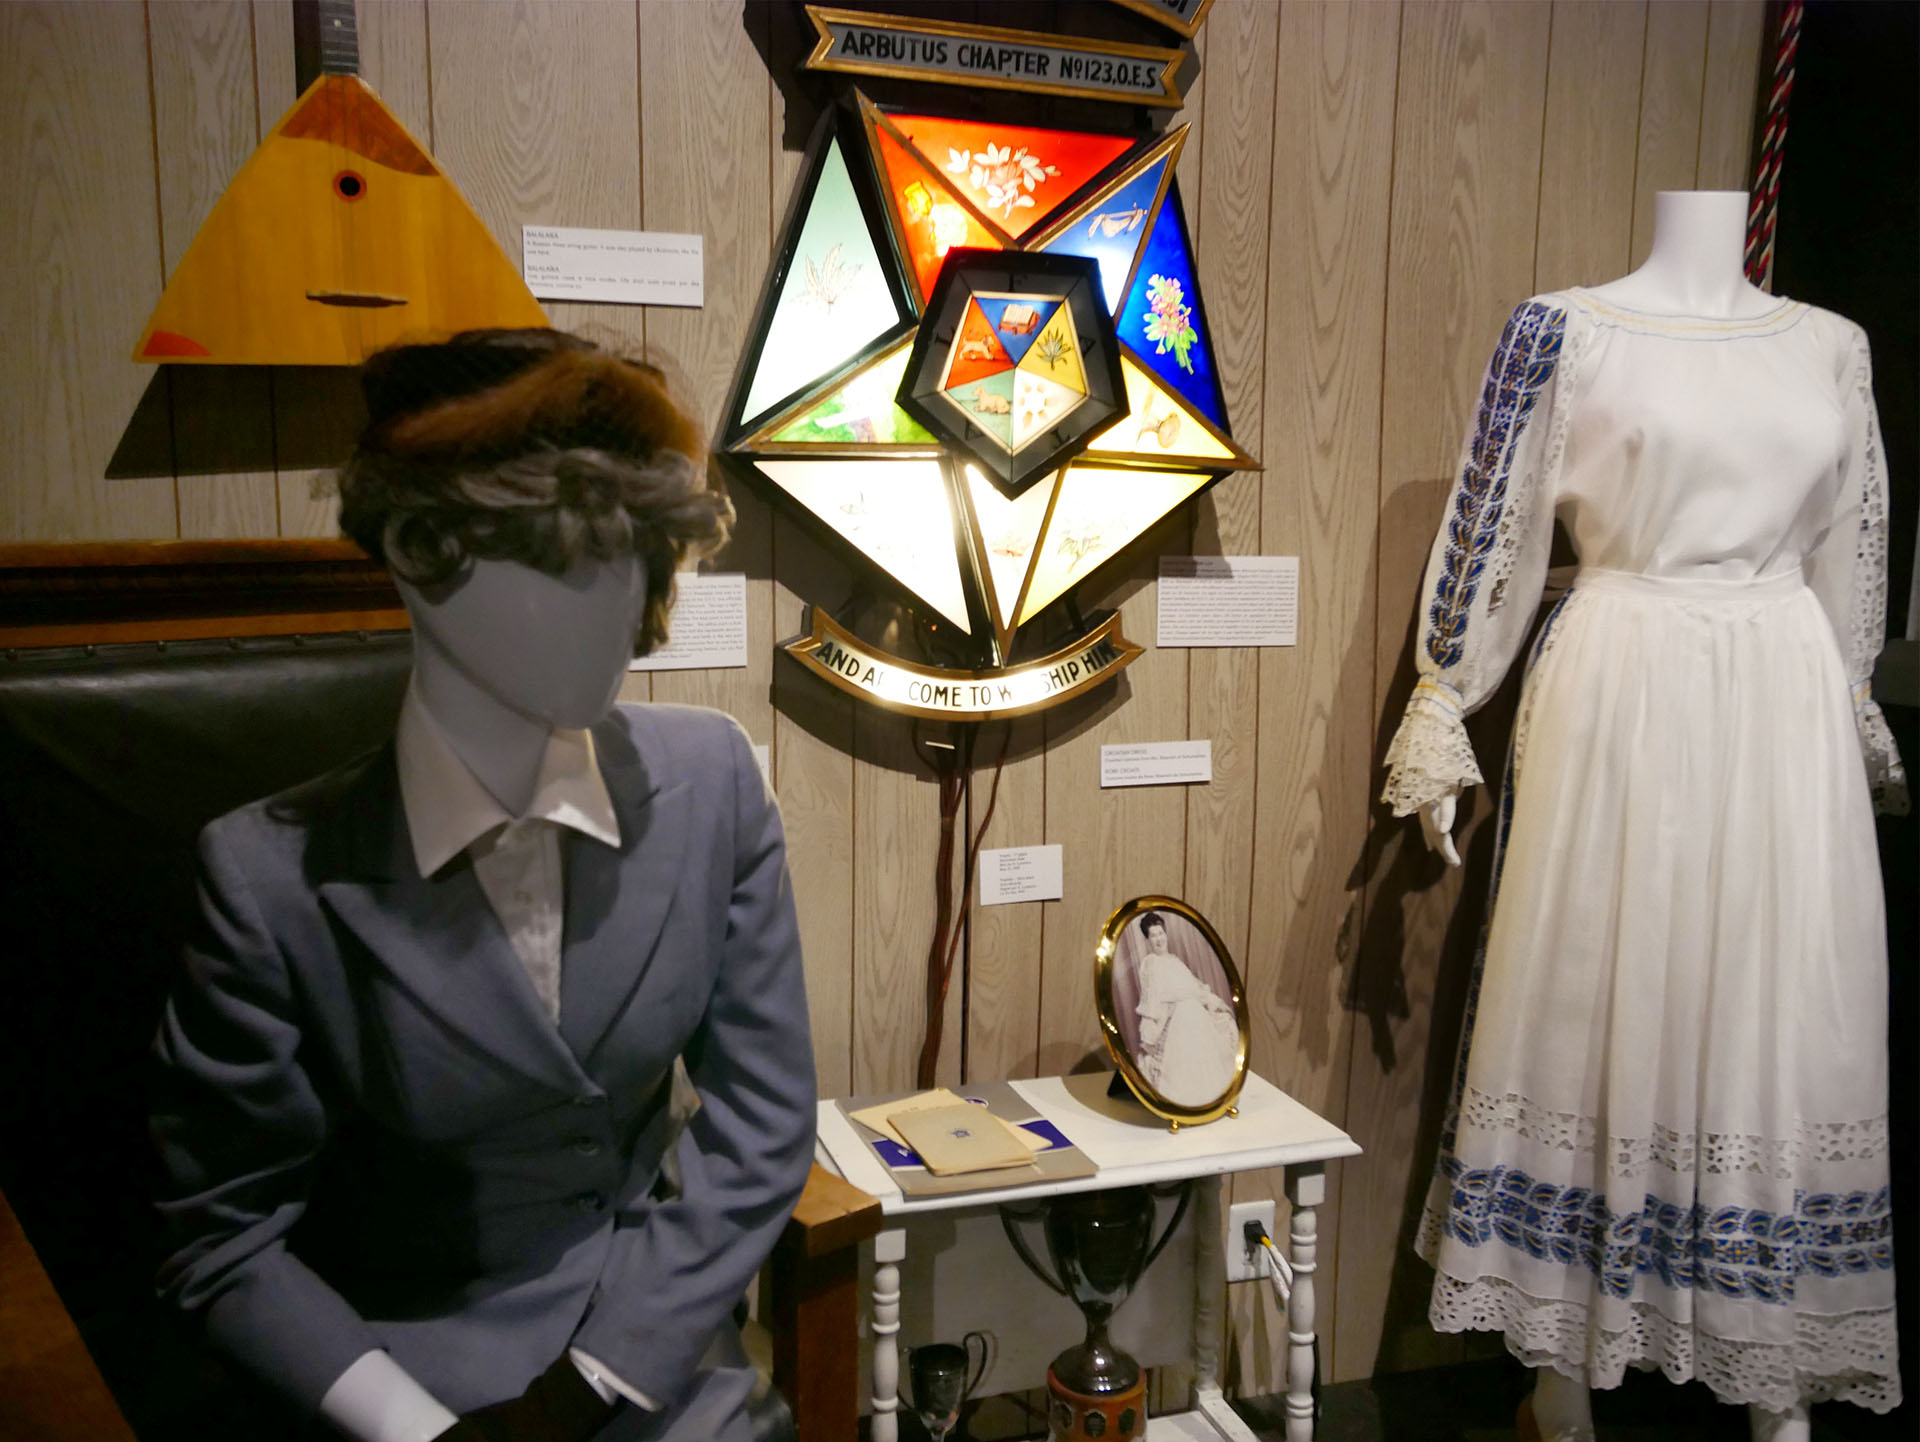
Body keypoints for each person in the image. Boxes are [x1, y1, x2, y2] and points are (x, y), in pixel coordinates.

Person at [150, 328, 816, 1442]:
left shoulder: (711, 786)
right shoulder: (269, 879)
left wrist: (599, 1376)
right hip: (417, 1386)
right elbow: (222, 1233)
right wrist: (418, 1426)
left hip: (664, 1374)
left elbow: (760, 1117)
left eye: (634, 550)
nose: (612, 605)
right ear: (418, 551)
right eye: (558, 552)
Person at [1383, 192, 1904, 1441]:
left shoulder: (1831, 345)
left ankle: (1769, 1353)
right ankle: (1562, 1367)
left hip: (1780, 699)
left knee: (1770, 1005)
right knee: (1592, 986)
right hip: (1620, 681)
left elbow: (1850, 544)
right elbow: (1489, 525)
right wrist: (1448, 693)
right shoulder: (1563, 331)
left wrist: (1845, 698)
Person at [1130, 911, 1238, 1108]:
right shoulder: (1150, 963)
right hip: (1174, 1016)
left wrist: (1203, 997)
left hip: (1193, 1012)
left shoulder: (1174, 960)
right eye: (1153, 936)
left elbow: (1194, 987)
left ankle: (1210, 1099)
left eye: (1161, 933)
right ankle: (1186, 1103)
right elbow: (1158, 996)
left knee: (1205, 1021)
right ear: (1148, 940)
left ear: (1166, 934)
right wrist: (1186, 995)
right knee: (1188, 1016)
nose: (1158, 939)